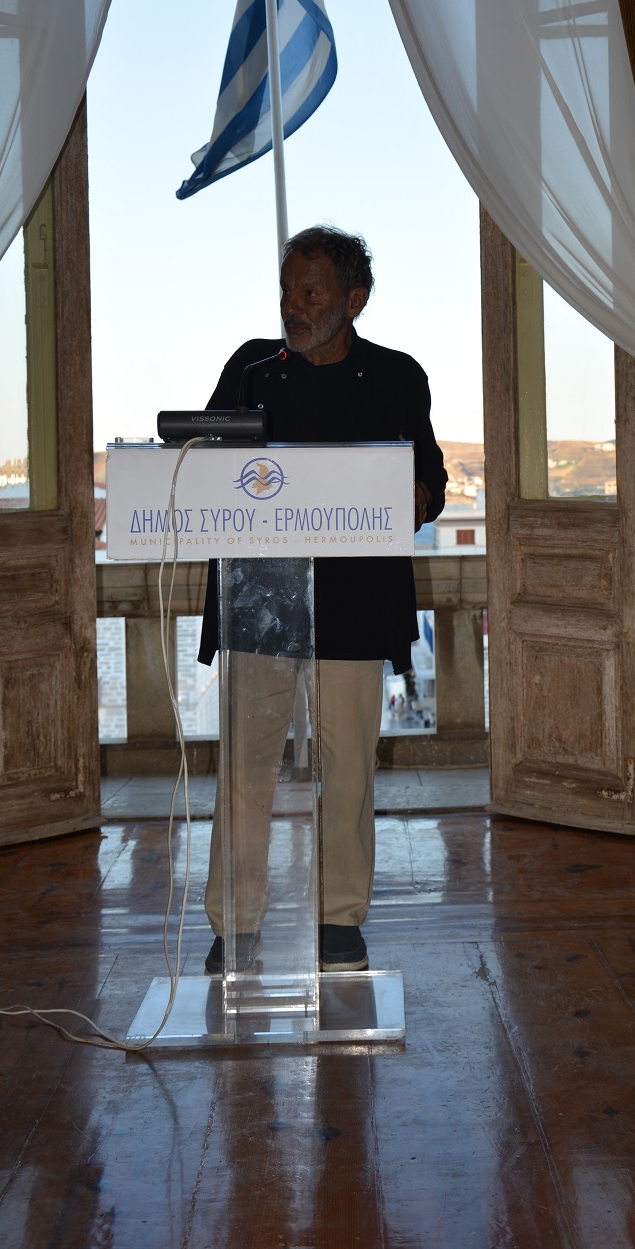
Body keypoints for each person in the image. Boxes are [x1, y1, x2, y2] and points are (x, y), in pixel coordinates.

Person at [198, 225, 446, 975]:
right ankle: (235, 924)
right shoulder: (251, 370)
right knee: (246, 768)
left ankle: (339, 920)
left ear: (354, 299)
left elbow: (431, 479)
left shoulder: (397, 375)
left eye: (310, 293)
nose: (293, 307)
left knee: (348, 769)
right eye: (287, 291)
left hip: (356, 603)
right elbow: (203, 458)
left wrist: (417, 493)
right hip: (259, 602)